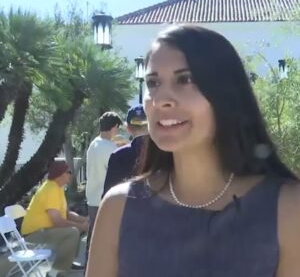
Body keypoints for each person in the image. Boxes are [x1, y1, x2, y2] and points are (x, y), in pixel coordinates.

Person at [86, 25, 300, 277]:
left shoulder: (287, 208)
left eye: (185, 79)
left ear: (226, 94)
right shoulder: (118, 207)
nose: (161, 98)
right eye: (153, 82)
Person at [21, 160, 89, 275]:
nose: (71, 174)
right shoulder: (50, 189)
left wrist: (85, 220)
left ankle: (68, 261)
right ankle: (55, 272)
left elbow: (67, 214)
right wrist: (81, 226)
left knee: (75, 230)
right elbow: (57, 221)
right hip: (33, 234)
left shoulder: (58, 188)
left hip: (45, 230)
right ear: (60, 174)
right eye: (69, 172)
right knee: (72, 232)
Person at [85, 111, 122, 265]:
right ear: (114, 127)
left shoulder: (94, 144)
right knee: (106, 240)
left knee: (92, 238)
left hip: (92, 198)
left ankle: (88, 268)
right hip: (105, 199)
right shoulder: (110, 148)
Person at [102, 105, 148, 197]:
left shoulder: (118, 156)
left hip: (126, 209)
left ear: (128, 129)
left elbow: (109, 195)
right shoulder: (166, 153)